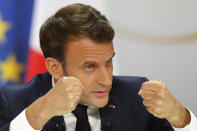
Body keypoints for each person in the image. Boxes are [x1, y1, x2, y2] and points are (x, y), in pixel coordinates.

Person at [0, 3, 196, 131]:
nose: (107, 80)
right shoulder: (12, 102)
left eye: (109, 62)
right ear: (55, 68)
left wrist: (180, 116)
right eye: (89, 67)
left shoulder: (138, 97)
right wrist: (37, 114)